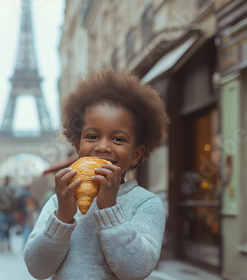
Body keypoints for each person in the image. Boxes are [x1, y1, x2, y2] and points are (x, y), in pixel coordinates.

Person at [23, 69, 169, 279]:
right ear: (77, 145)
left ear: (136, 154)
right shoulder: (59, 202)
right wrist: (63, 217)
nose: (102, 147)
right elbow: (37, 269)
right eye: (92, 136)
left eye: (118, 139)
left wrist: (109, 209)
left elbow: (137, 270)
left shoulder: (147, 203)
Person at [0, 176, 20, 252]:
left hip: (9, 212)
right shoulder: (0, 189)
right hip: (3, 211)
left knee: (8, 228)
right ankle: (1, 243)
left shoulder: (11, 189)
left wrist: (14, 210)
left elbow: (15, 200)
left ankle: (8, 243)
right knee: (2, 228)